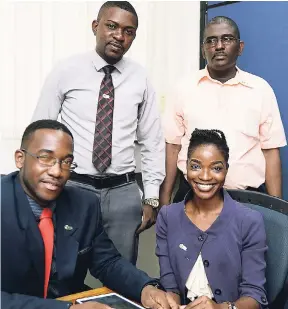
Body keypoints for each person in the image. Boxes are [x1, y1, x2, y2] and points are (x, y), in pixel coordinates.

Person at [32, 1, 165, 264]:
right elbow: (41, 131)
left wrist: (151, 197)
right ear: (96, 27)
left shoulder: (140, 78)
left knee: (121, 271)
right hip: (72, 187)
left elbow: (152, 141)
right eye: (112, 26)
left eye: (129, 31)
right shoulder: (66, 70)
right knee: (62, 268)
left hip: (123, 192)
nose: (119, 36)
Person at [1, 120, 176, 309]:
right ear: (20, 158)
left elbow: (107, 262)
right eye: (45, 158)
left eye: (66, 162)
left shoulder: (84, 204)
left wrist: (144, 288)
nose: (57, 171)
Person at [160, 16, 287, 205]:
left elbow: (270, 152)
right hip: (193, 196)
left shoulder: (260, 90)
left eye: (227, 39)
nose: (218, 46)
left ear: (240, 47)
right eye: (211, 41)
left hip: (246, 199)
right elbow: (172, 147)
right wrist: (164, 198)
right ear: (203, 50)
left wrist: (276, 208)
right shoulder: (183, 89)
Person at [156, 128, 268, 309]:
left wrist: (220, 308)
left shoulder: (249, 221)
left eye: (216, 168)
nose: (205, 176)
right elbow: (170, 284)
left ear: (226, 170)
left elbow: (254, 296)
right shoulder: (168, 217)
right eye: (196, 166)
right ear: (186, 167)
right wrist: (171, 301)